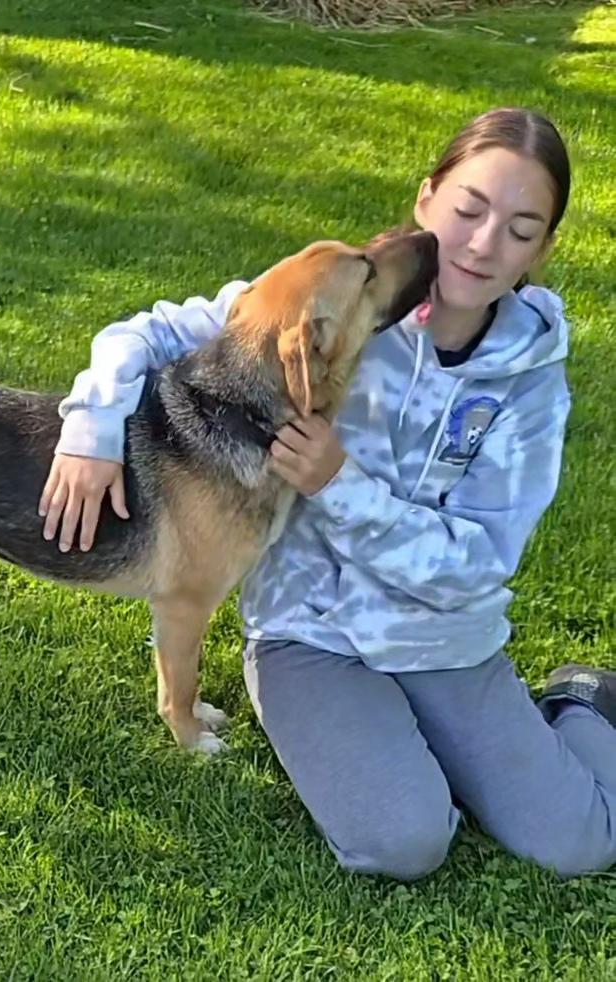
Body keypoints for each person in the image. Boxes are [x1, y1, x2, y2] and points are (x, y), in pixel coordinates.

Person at [36, 107, 616, 880]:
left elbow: (478, 564)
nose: (482, 243)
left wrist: (340, 485)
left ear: (543, 247)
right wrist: (91, 426)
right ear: (428, 198)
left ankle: (579, 702)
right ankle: (408, 748)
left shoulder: (530, 388)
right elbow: (143, 332)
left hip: (443, 634)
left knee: (577, 844)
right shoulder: (326, 304)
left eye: (520, 227)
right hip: (307, 633)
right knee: (402, 842)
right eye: (469, 209)